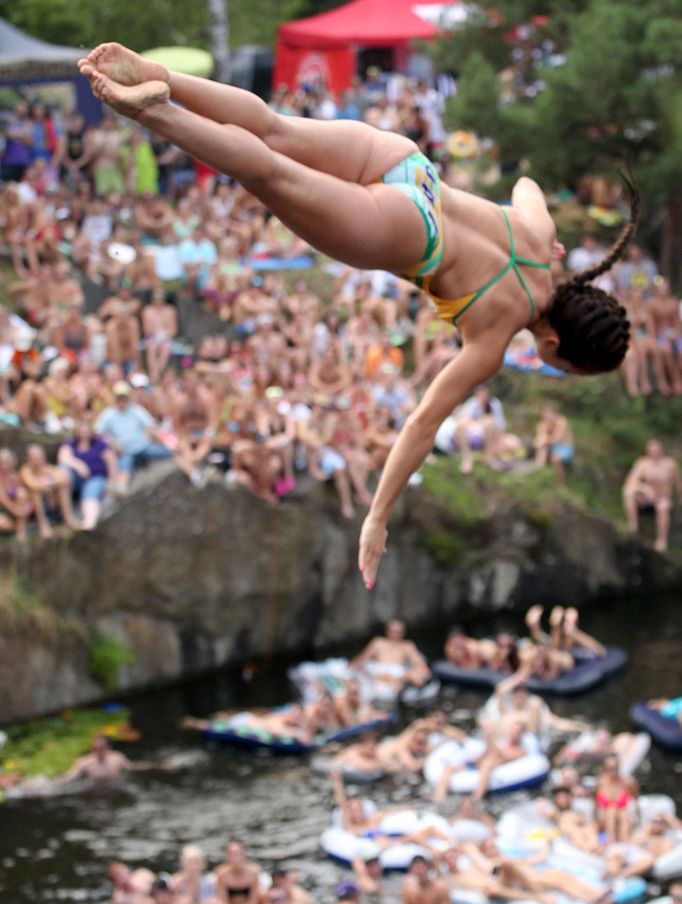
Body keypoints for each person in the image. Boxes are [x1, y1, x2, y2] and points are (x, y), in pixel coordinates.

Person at [78, 44, 636, 591]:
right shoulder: (494, 335)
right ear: (558, 341)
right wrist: (377, 516)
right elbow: (422, 424)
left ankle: (156, 75)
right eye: (566, 367)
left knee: (275, 130)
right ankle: (153, 110)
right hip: (412, 233)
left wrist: (552, 236)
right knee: (269, 173)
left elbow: (526, 186)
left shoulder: (538, 238)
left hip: (409, 167)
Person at [96, 380, 172, 491]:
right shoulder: (108, 414)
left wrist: (164, 440)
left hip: (143, 446)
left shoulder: (136, 410)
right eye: (119, 397)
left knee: (167, 452)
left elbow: (151, 426)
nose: (121, 400)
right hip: (125, 451)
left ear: (128, 397)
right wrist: (111, 443)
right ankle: (121, 487)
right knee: (125, 466)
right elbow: (99, 434)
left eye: (123, 397)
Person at [623, 439, 681, 551]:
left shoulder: (670, 464)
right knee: (628, 491)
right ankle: (633, 527)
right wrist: (644, 488)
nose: (654, 452)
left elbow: (678, 484)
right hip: (647, 498)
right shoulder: (643, 463)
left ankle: (661, 541)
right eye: (651, 450)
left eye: (656, 450)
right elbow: (630, 480)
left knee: (663, 506)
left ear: (661, 450)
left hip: (662, 498)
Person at [58, 420, 116, 529]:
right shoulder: (70, 444)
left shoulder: (99, 444)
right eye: (82, 430)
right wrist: (79, 465)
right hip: (76, 480)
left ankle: (89, 522)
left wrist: (111, 481)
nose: (84, 432)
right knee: (63, 471)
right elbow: (63, 458)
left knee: (90, 494)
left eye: (86, 430)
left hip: (96, 478)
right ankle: (67, 516)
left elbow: (111, 461)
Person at [19, 443, 81, 538]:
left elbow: (65, 478)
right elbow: (32, 485)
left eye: (39, 458)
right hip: (33, 507)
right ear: (29, 459)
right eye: (34, 458)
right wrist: (47, 484)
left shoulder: (47, 468)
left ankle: (68, 517)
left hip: (50, 501)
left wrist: (49, 484)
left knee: (62, 487)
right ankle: (43, 524)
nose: (37, 461)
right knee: (36, 493)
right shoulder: (26, 470)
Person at [351, 619, 431, 690]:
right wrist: (349, 668)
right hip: (381, 671)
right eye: (393, 631)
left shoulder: (407, 645)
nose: (395, 634)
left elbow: (418, 662)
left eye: (398, 632)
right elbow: (362, 658)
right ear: (387, 631)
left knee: (414, 675)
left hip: (398, 673)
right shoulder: (378, 643)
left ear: (403, 632)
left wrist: (423, 671)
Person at [533, 404, 575, 485]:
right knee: (542, 447)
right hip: (552, 446)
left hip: (565, 448)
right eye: (544, 413)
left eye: (548, 413)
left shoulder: (561, 421)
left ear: (554, 413)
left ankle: (561, 484)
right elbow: (539, 438)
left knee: (555, 458)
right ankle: (539, 470)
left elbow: (557, 438)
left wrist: (543, 440)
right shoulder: (542, 424)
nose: (546, 415)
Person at [213, 840, 261, 904]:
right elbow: (222, 899)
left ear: (244, 854)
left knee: (264, 894)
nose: (233, 857)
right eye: (230, 854)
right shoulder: (222, 874)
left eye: (236, 854)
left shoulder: (253, 872)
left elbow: (254, 899)